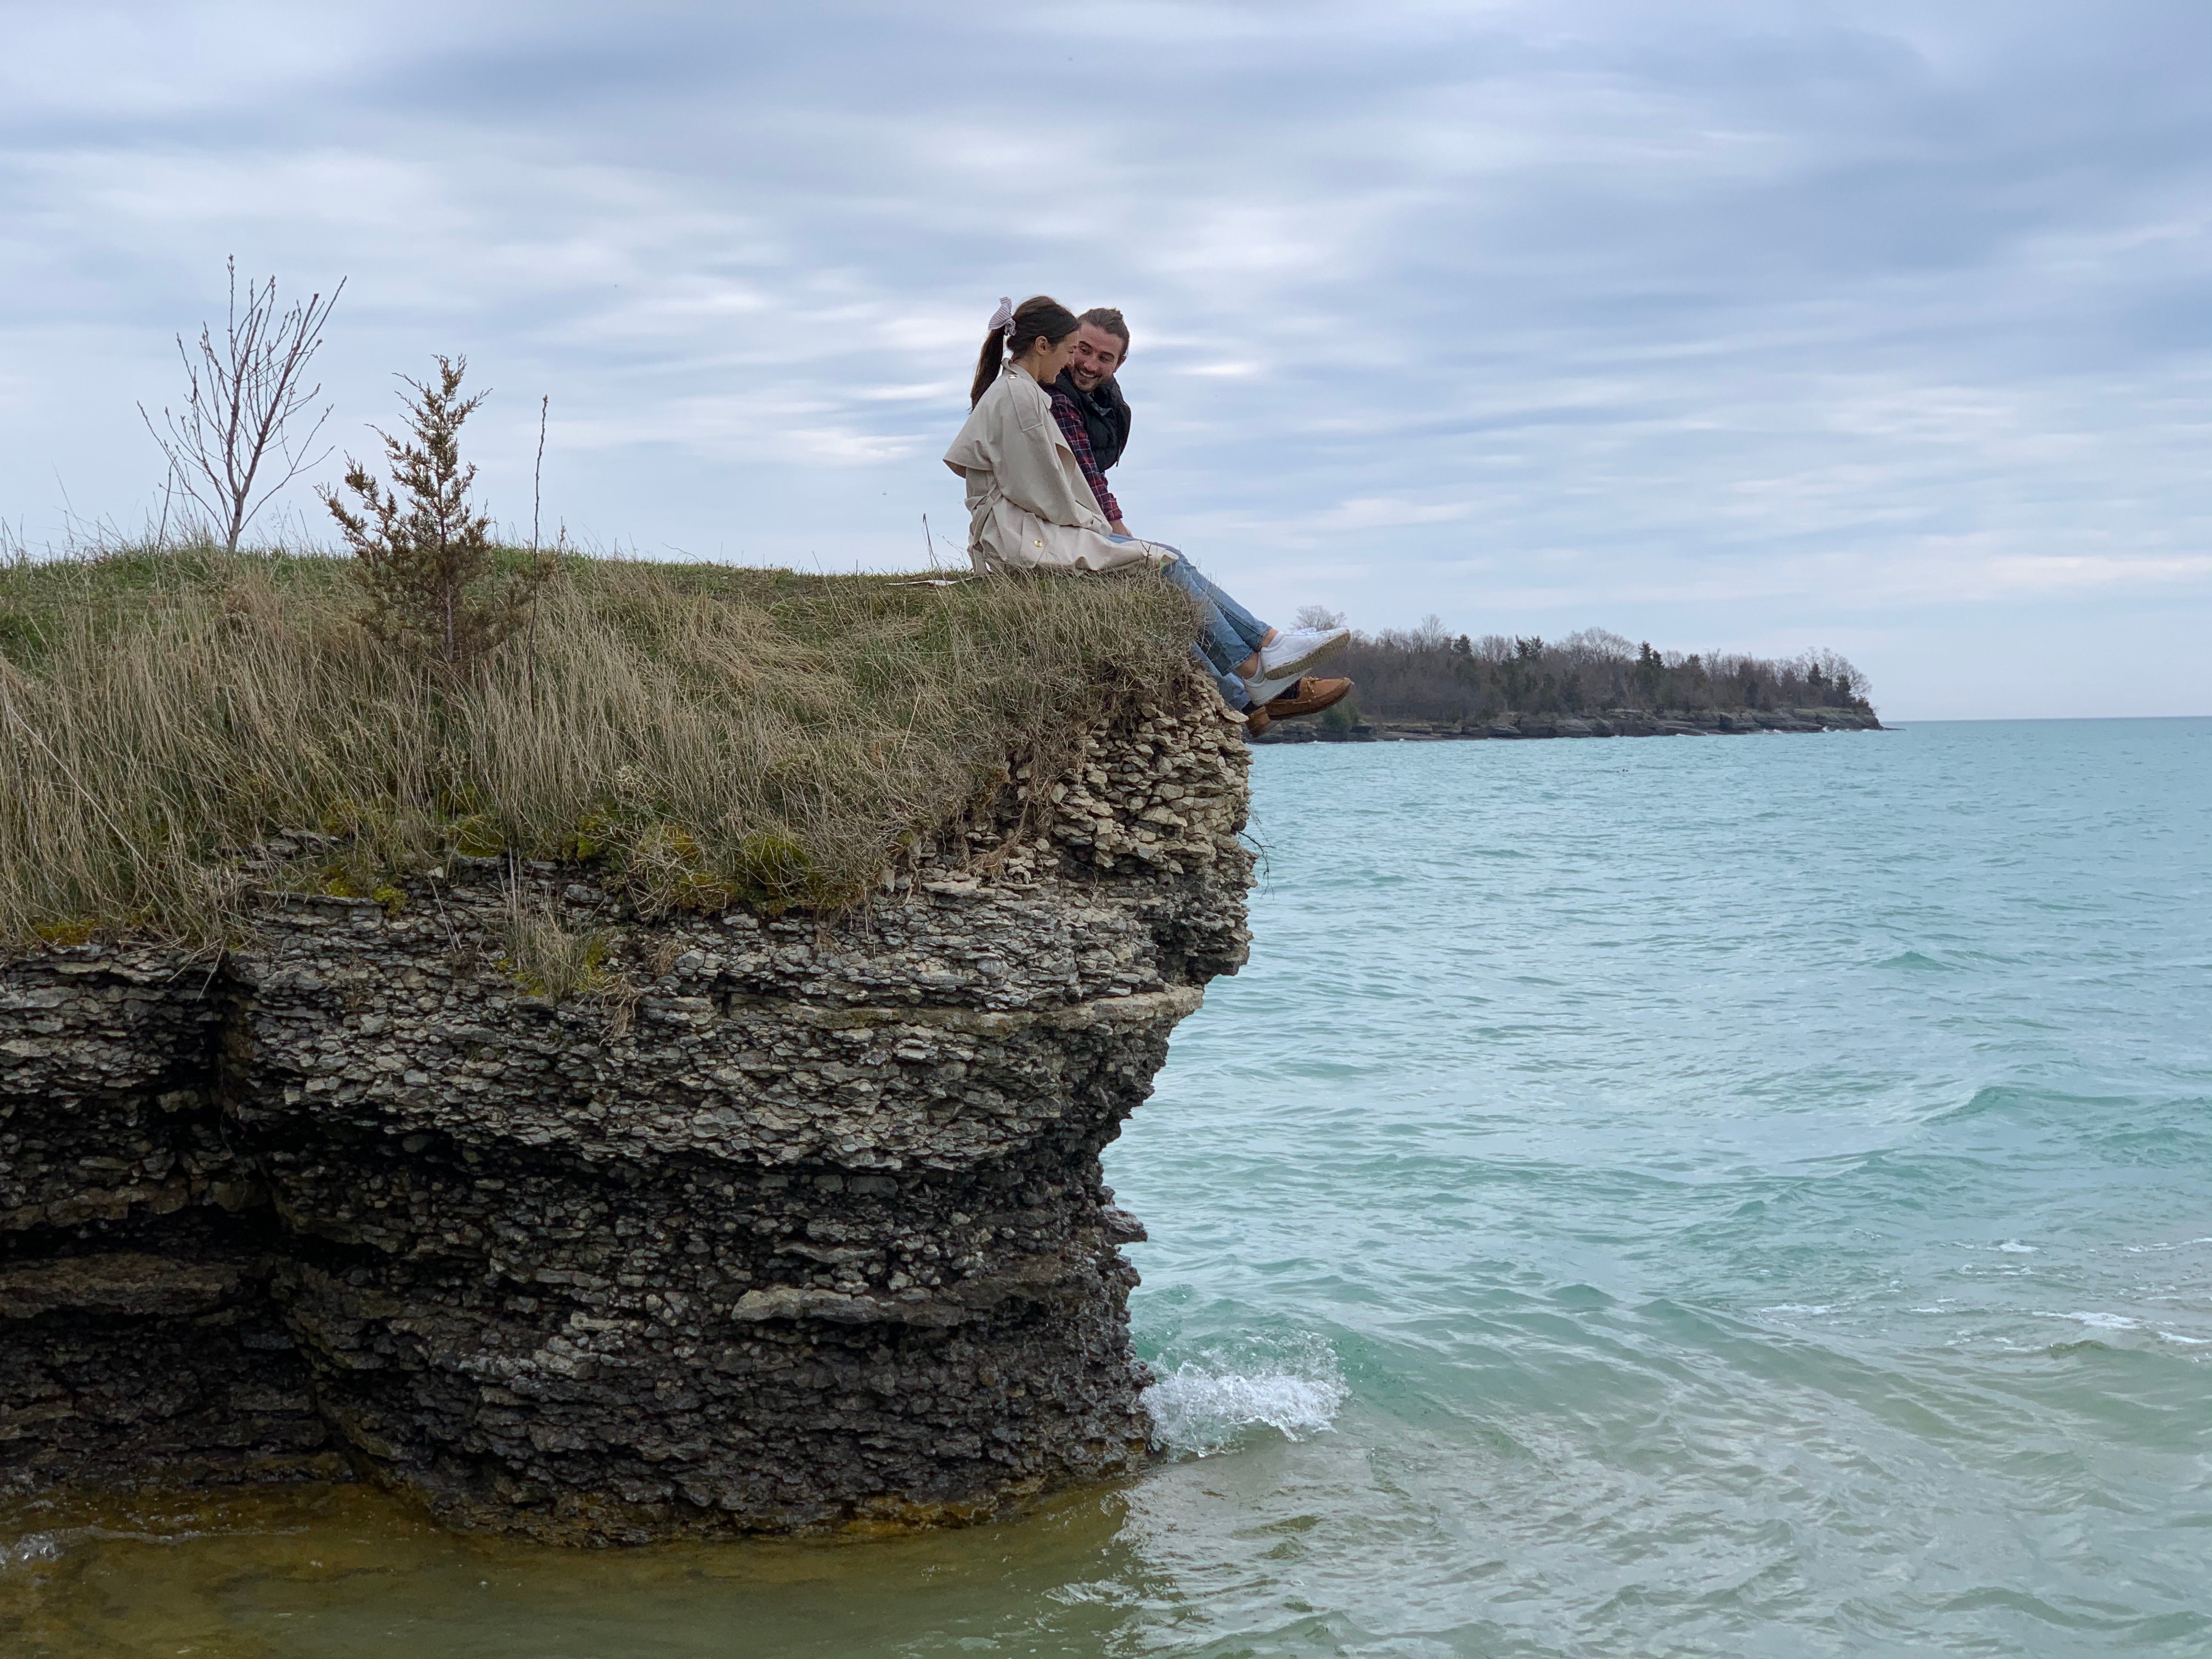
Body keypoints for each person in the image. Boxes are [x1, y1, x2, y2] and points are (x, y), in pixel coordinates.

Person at [943, 295, 1350, 735]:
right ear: (1043, 346)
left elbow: (1053, 484)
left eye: (1103, 357)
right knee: (1159, 563)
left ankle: (1261, 667)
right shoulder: (1026, 397)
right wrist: (1106, 534)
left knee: (1161, 559)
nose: (1069, 364)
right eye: (1070, 350)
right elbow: (1044, 490)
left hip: (1024, 530)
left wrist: (1111, 535)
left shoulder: (1026, 391)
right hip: (1018, 539)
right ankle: (1259, 668)